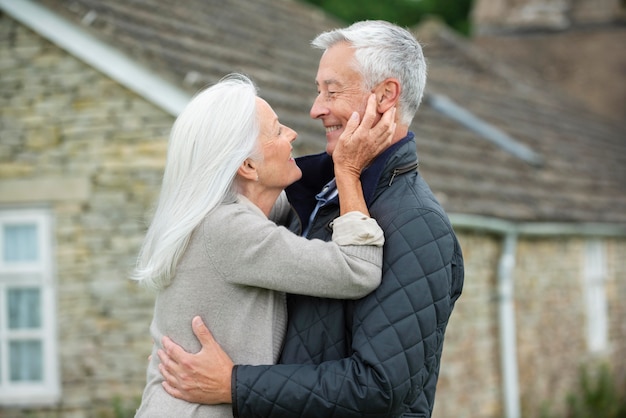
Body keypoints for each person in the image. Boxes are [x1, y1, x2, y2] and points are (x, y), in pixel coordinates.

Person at [158, 21, 465, 418]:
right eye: (319, 91)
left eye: (331, 91)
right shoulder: (321, 195)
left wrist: (235, 384)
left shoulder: (418, 223)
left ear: (386, 96)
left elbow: (378, 385)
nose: (315, 109)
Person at [132, 73, 398, 417]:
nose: (292, 134)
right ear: (247, 165)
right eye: (276, 130)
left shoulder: (233, 215)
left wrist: (353, 144)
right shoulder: (229, 230)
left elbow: (302, 195)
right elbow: (357, 270)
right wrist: (347, 169)